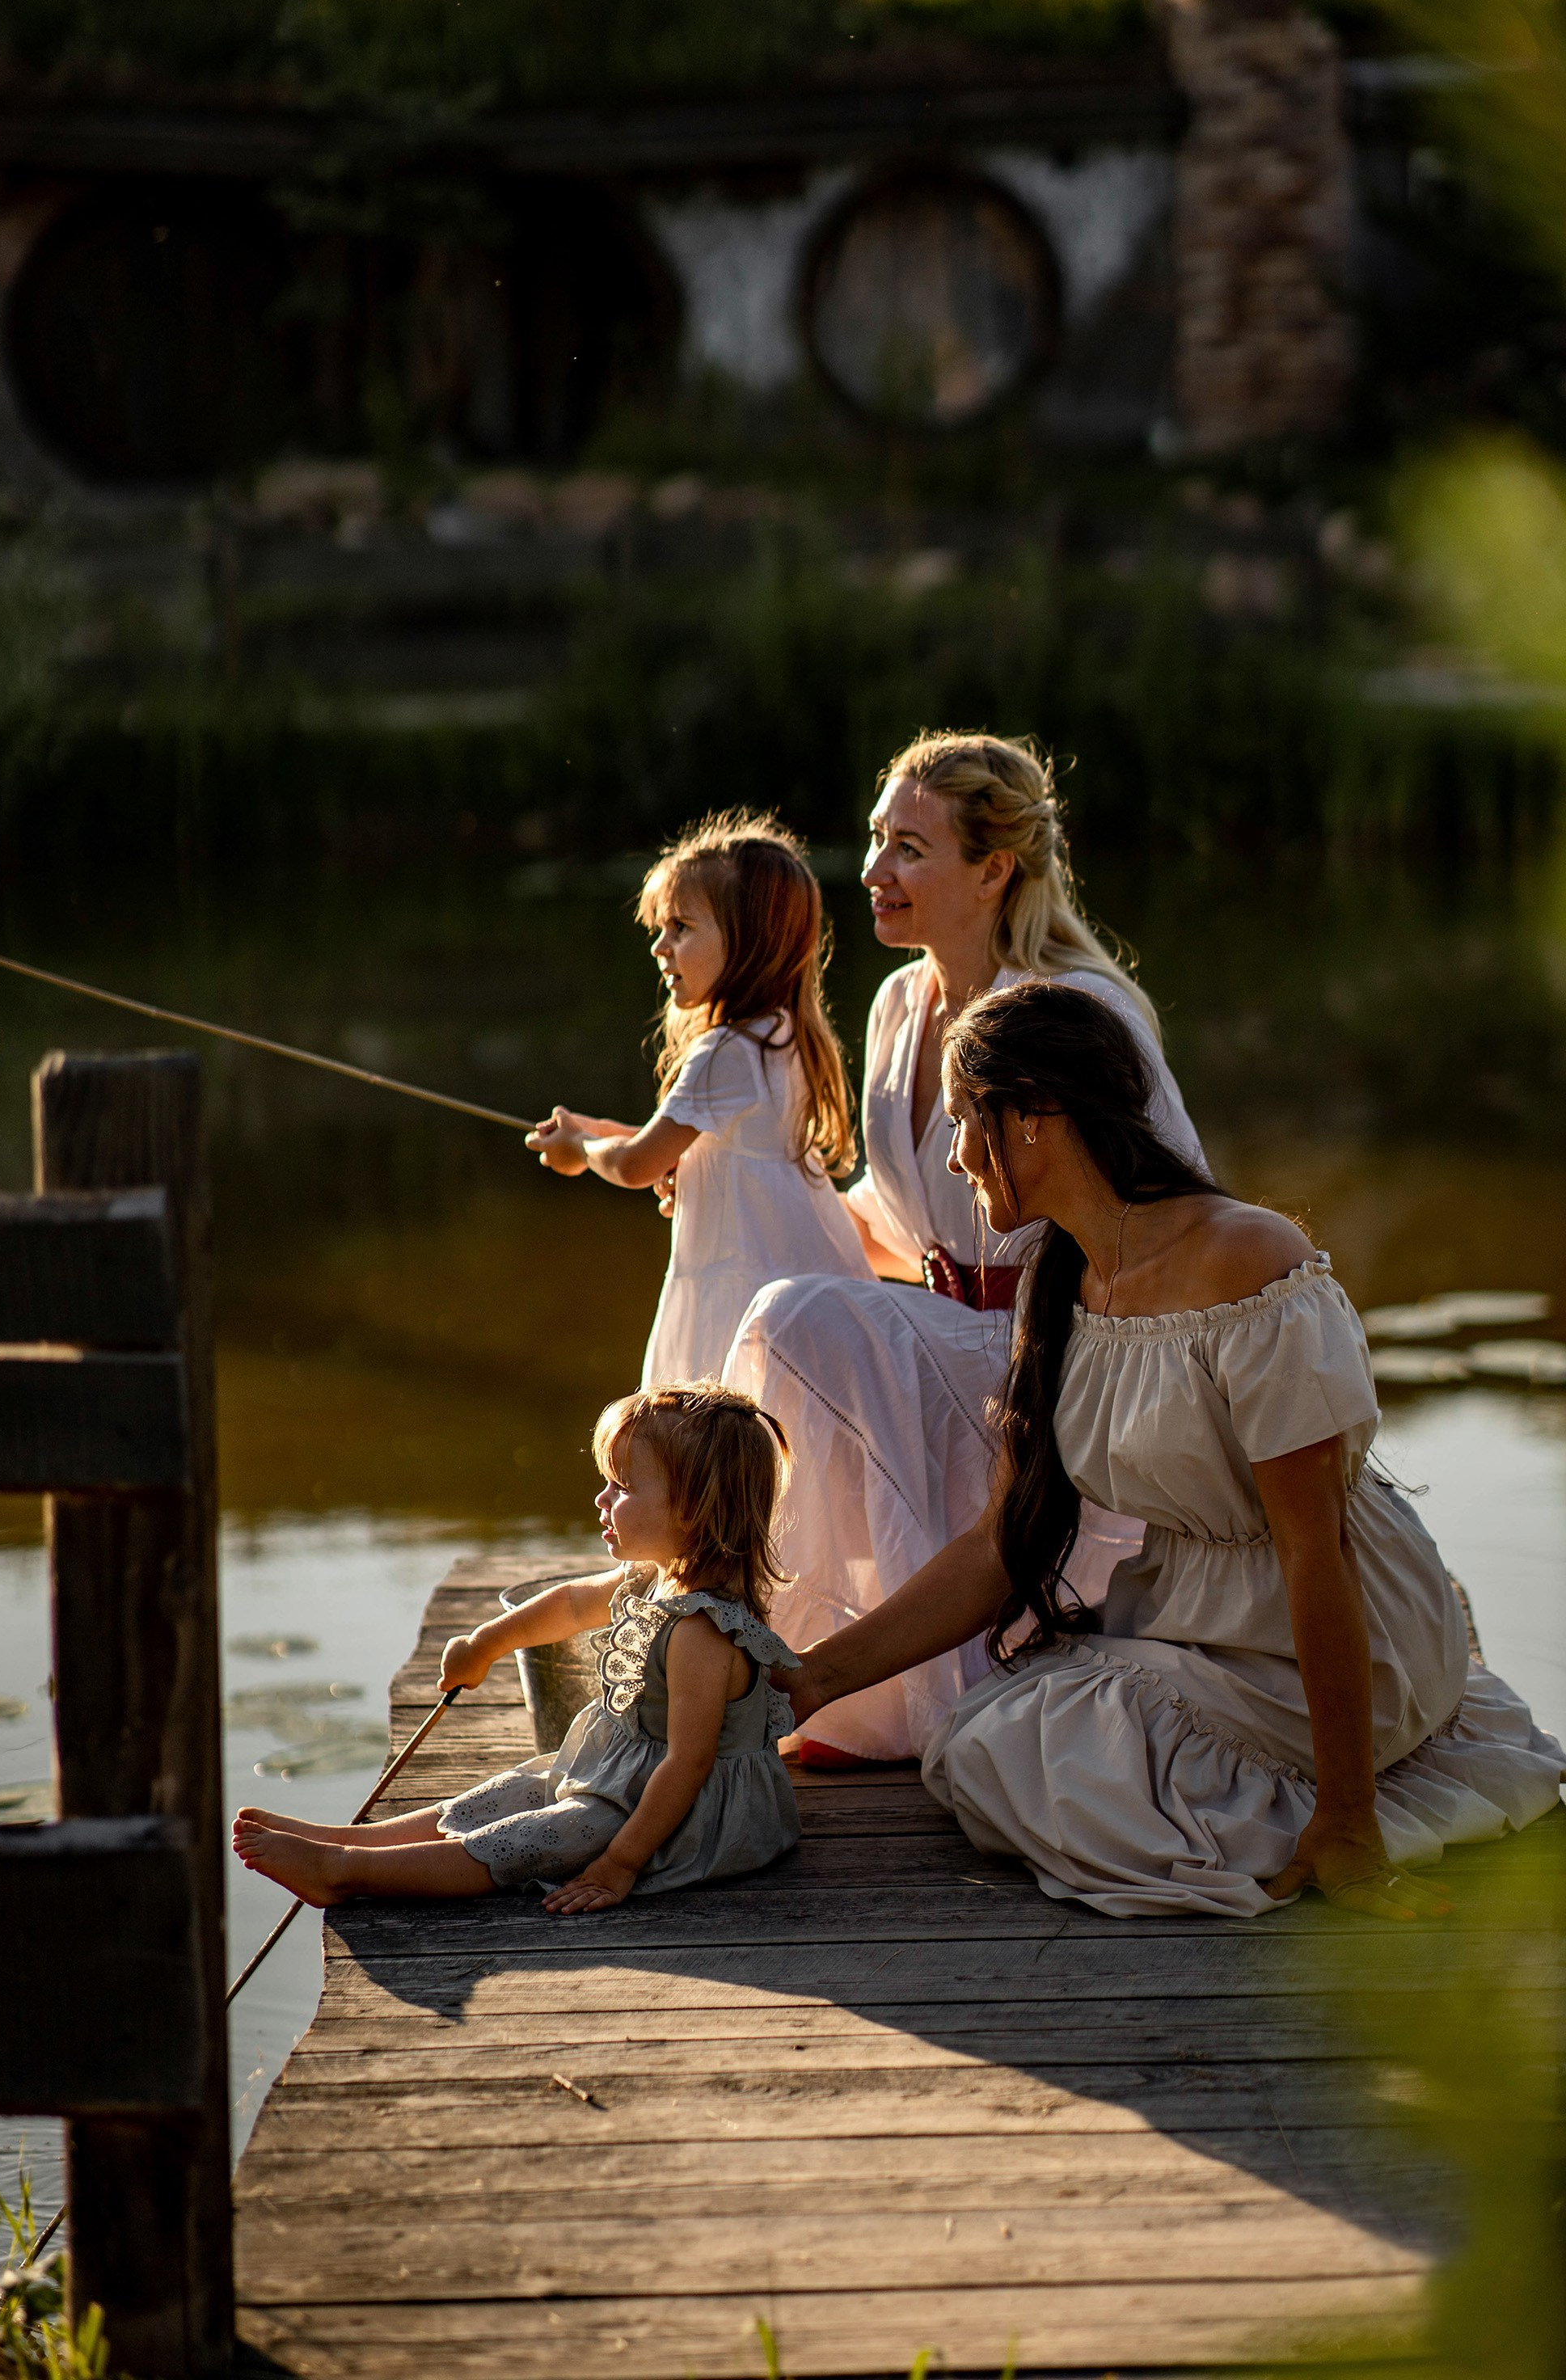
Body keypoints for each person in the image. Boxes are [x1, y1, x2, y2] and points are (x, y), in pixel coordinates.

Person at [778, 981, 1566, 1918]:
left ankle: (1339, 1809)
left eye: (961, 1123)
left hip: (1330, 1615)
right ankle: (1268, 1801)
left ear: (1032, 1114)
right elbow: (1000, 1547)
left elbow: (1318, 1550)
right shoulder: (1058, 1281)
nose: (951, 1158)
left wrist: (1353, 1824)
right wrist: (810, 1682)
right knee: (985, 1742)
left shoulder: (1246, 1264)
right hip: (1191, 1613)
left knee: (1043, 1762)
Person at [725, 732, 1203, 1764]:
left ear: (993, 870)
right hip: (953, 1335)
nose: (870, 873)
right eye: (872, 841)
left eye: (907, 848)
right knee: (791, 1301)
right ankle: (868, 1693)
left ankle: (867, 1685)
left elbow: (1166, 1206)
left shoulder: (1075, 1010)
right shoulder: (902, 1002)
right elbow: (896, 1220)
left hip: (1070, 1353)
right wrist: (730, 1183)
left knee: (793, 1319)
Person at [232, 1382, 802, 1914]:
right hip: (624, 1776)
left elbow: (689, 1765)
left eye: (623, 1488)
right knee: (516, 1790)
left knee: (536, 1837)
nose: (602, 1499)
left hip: (689, 1815)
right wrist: (484, 1644)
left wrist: (619, 1864)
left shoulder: (702, 1635)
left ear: (693, 1511)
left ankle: (344, 1871)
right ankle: (350, 1840)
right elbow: (573, 1605)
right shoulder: (655, 1578)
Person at [526, 811, 872, 1384]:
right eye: (660, 929)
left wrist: (580, 1150)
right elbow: (685, 1142)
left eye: (681, 928)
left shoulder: (726, 1051)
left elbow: (638, 1164)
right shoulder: (780, 1033)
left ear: (750, 943)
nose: (660, 946)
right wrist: (595, 1129)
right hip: (798, 1283)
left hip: (740, 1292)